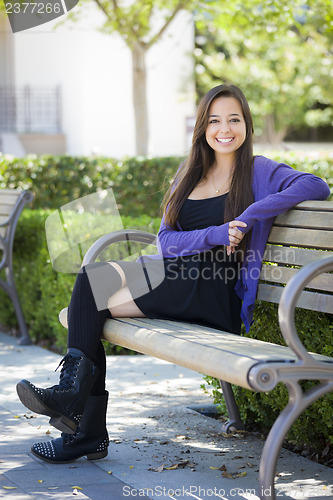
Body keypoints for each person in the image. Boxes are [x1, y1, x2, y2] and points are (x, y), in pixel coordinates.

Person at [16, 84, 330, 464]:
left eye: (234, 119)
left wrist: (248, 216)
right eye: (214, 120)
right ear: (202, 127)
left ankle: (81, 421)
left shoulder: (259, 170)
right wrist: (217, 233)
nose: (224, 128)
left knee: (92, 304)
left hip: (215, 289)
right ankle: (78, 410)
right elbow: (167, 242)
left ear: (246, 124)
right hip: (175, 275)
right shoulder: (190, 173)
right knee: (92, 279)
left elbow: (316, 184)